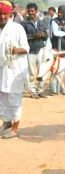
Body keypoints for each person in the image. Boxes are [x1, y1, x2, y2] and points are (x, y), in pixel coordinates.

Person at [0, 0, 30, 139]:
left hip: (14, 70)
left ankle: (15, 128)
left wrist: (14, 50)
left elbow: (26, 48)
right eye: (0, 14)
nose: (2, 17)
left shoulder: (17, 28)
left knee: (14, 98)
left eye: (5, 14)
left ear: (10, 14)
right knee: (2, 97)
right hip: (1, 70)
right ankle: (6, 122)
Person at [21, 3, 48, 99]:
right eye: (29, 11)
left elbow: (46, 36)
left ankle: (40, 91)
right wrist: (34, 36)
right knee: (32, 73)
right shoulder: (24, 23)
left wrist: (43, 34)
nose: (30, 13)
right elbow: (23, 38)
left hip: (41, 49)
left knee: (42, 71)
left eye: (32, 11)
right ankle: (33, 92)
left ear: (36, 11)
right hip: (31, 50)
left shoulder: (41, 22)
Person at [50, 5, 65, 95]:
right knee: (55, 67)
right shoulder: (54, 21)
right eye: (59, 12)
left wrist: (64, 32)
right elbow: (56, 33)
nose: (60, 14)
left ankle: (64, 88)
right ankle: (54, 89)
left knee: (64, 68)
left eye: (62, 12)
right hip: (56, 46)